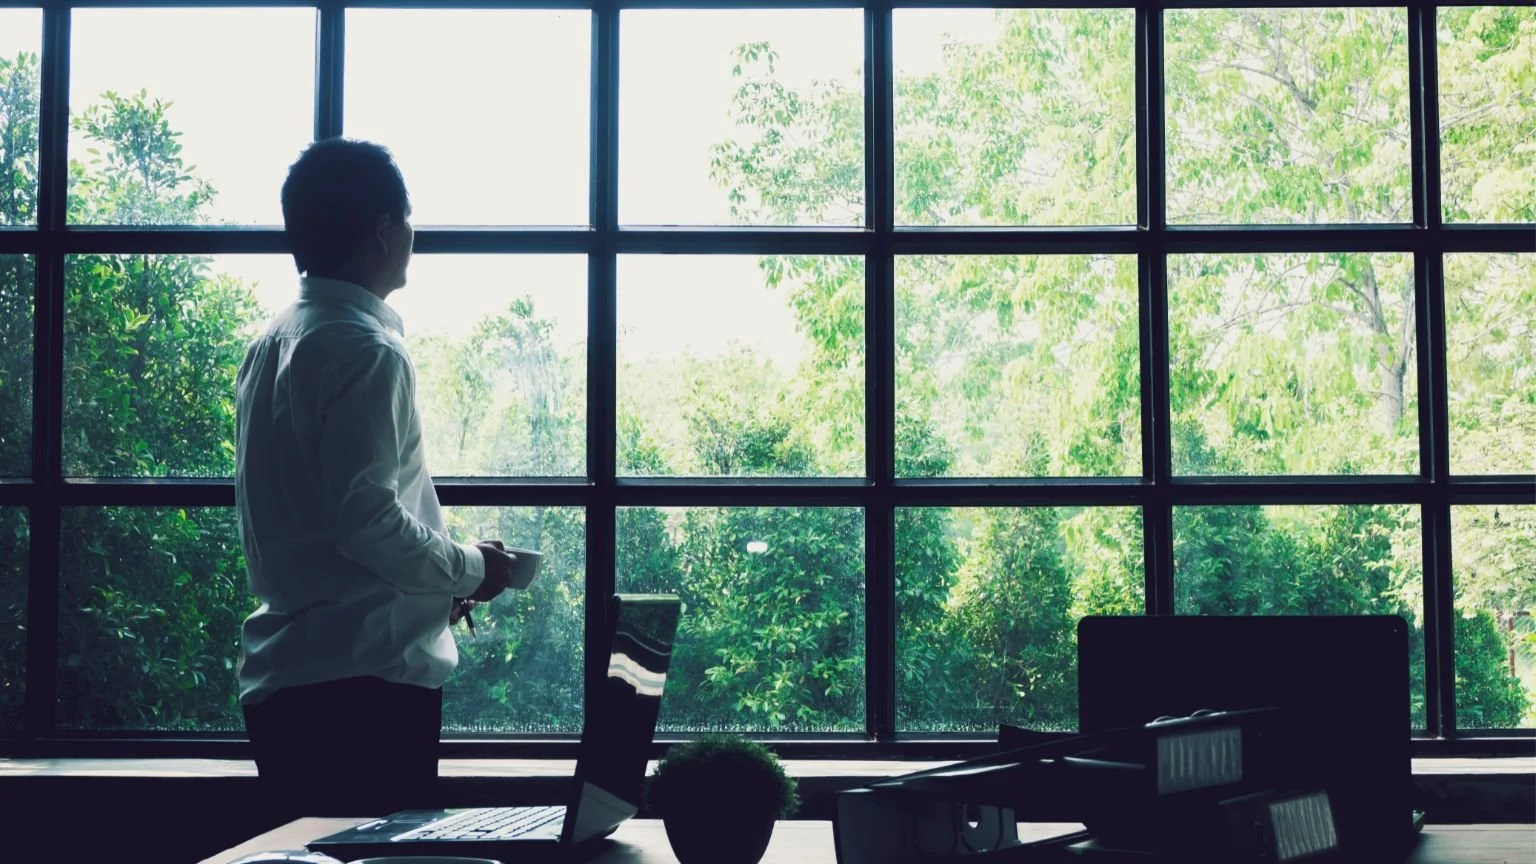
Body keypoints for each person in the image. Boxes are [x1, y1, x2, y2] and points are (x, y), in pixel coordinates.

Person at [234, 137, 529, 820]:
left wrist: (433, 582)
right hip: (364, 692)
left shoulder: (271, 344)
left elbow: (308, 524)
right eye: (410, 219)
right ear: (382, 230)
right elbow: (366, 524)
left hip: (287, 682)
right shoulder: (366, 351)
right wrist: (471, 569)